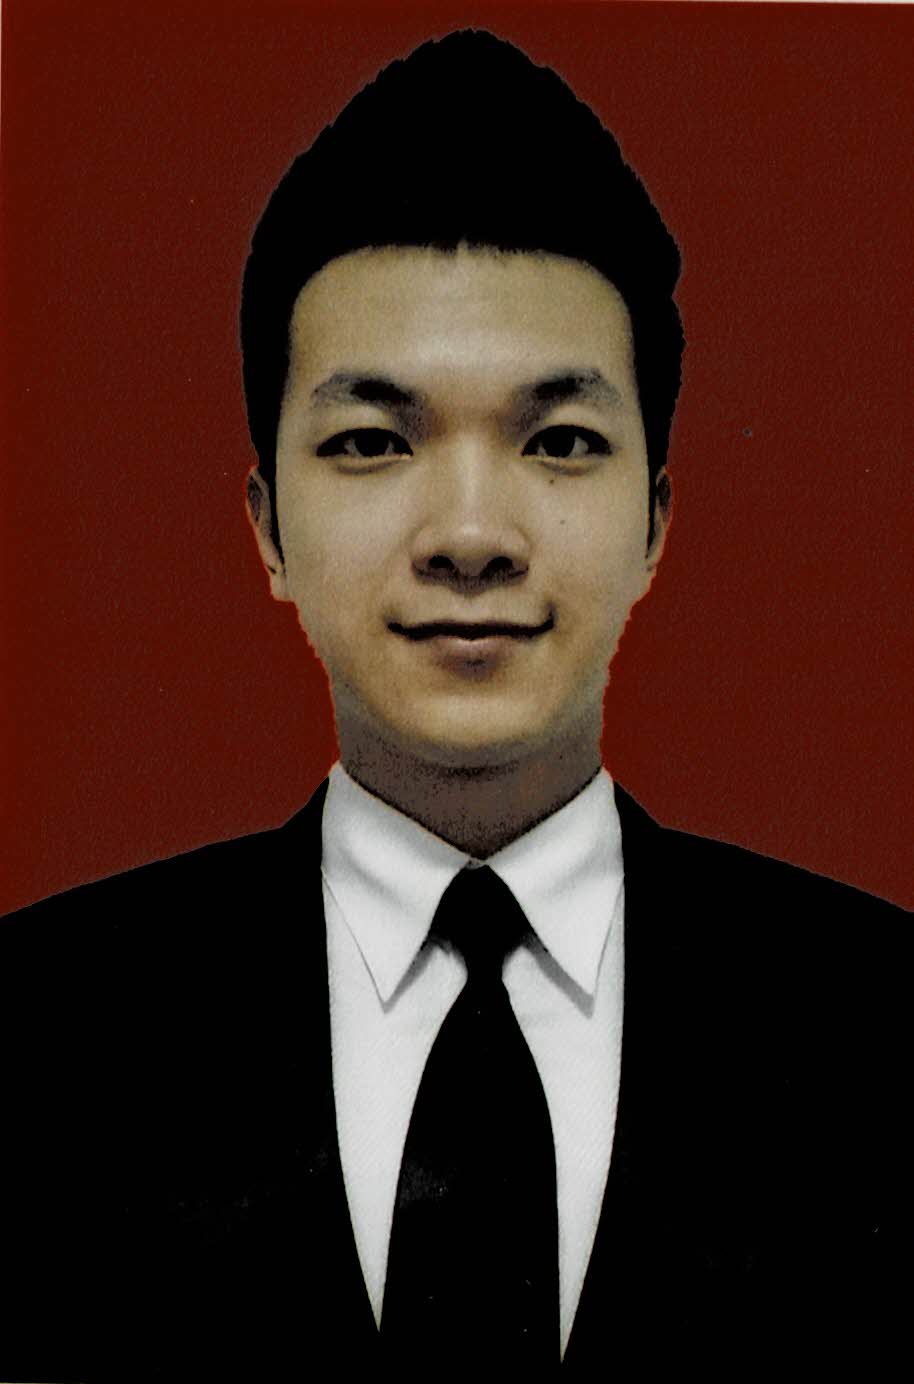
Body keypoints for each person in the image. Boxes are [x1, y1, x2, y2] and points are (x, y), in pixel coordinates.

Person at [1, 30, 907, 1381]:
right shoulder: (33, 1035)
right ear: (267, 525)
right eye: (372, 441)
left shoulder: (886, 1032)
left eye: (561, 442)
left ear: (655, 521)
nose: (471, 536)